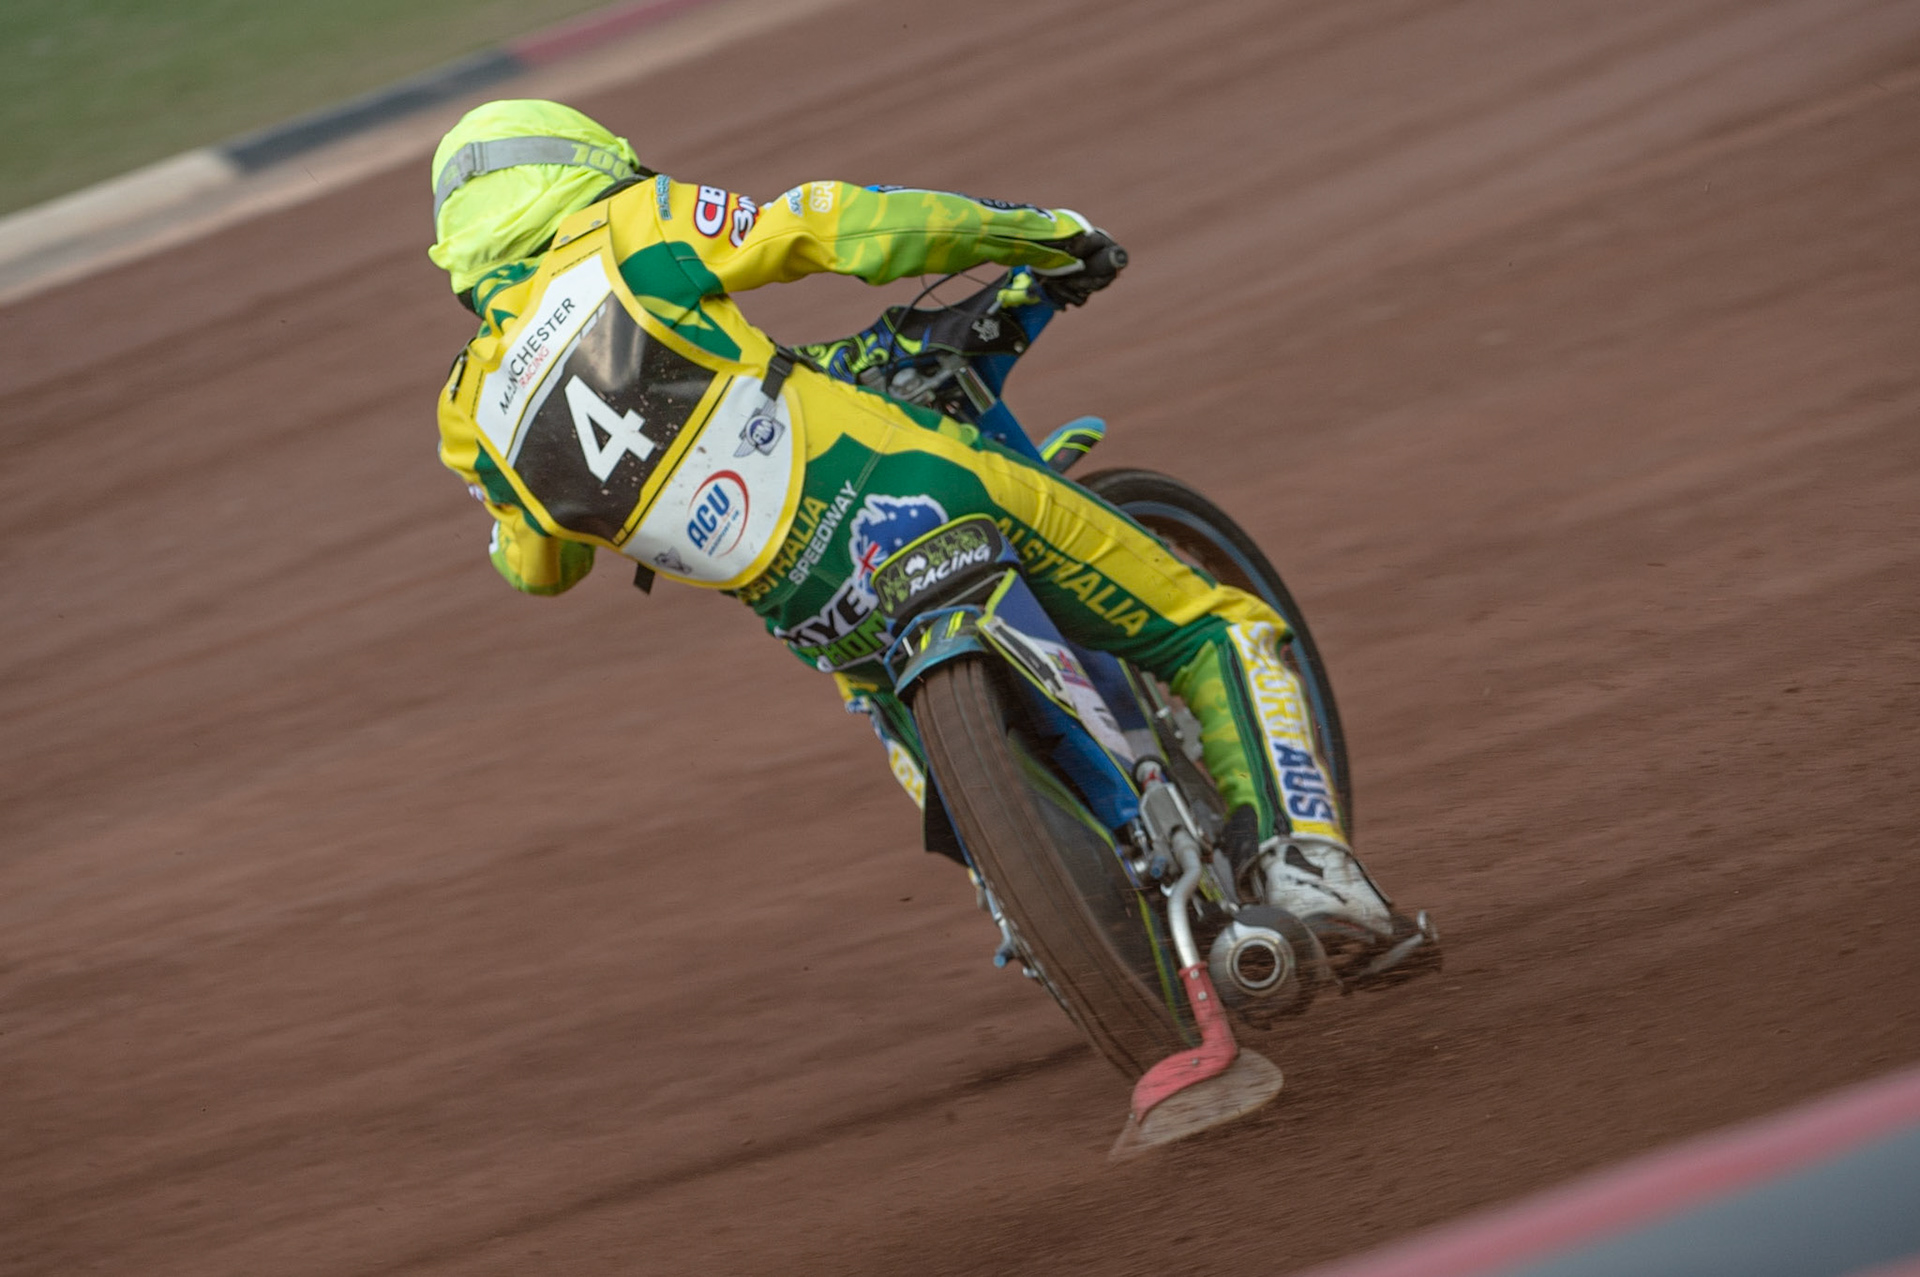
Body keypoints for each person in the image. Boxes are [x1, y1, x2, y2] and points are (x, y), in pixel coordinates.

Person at [428, 99, 1416, 973]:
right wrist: (1027, 233)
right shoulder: (623, 231)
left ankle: (1019, 898)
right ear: (578, 165)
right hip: (922, 487)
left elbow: (538, 565)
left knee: (880, 702)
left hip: (819, 615)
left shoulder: (470, 411)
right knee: (1214, 627)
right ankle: (1311, 868)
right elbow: (835, 226)